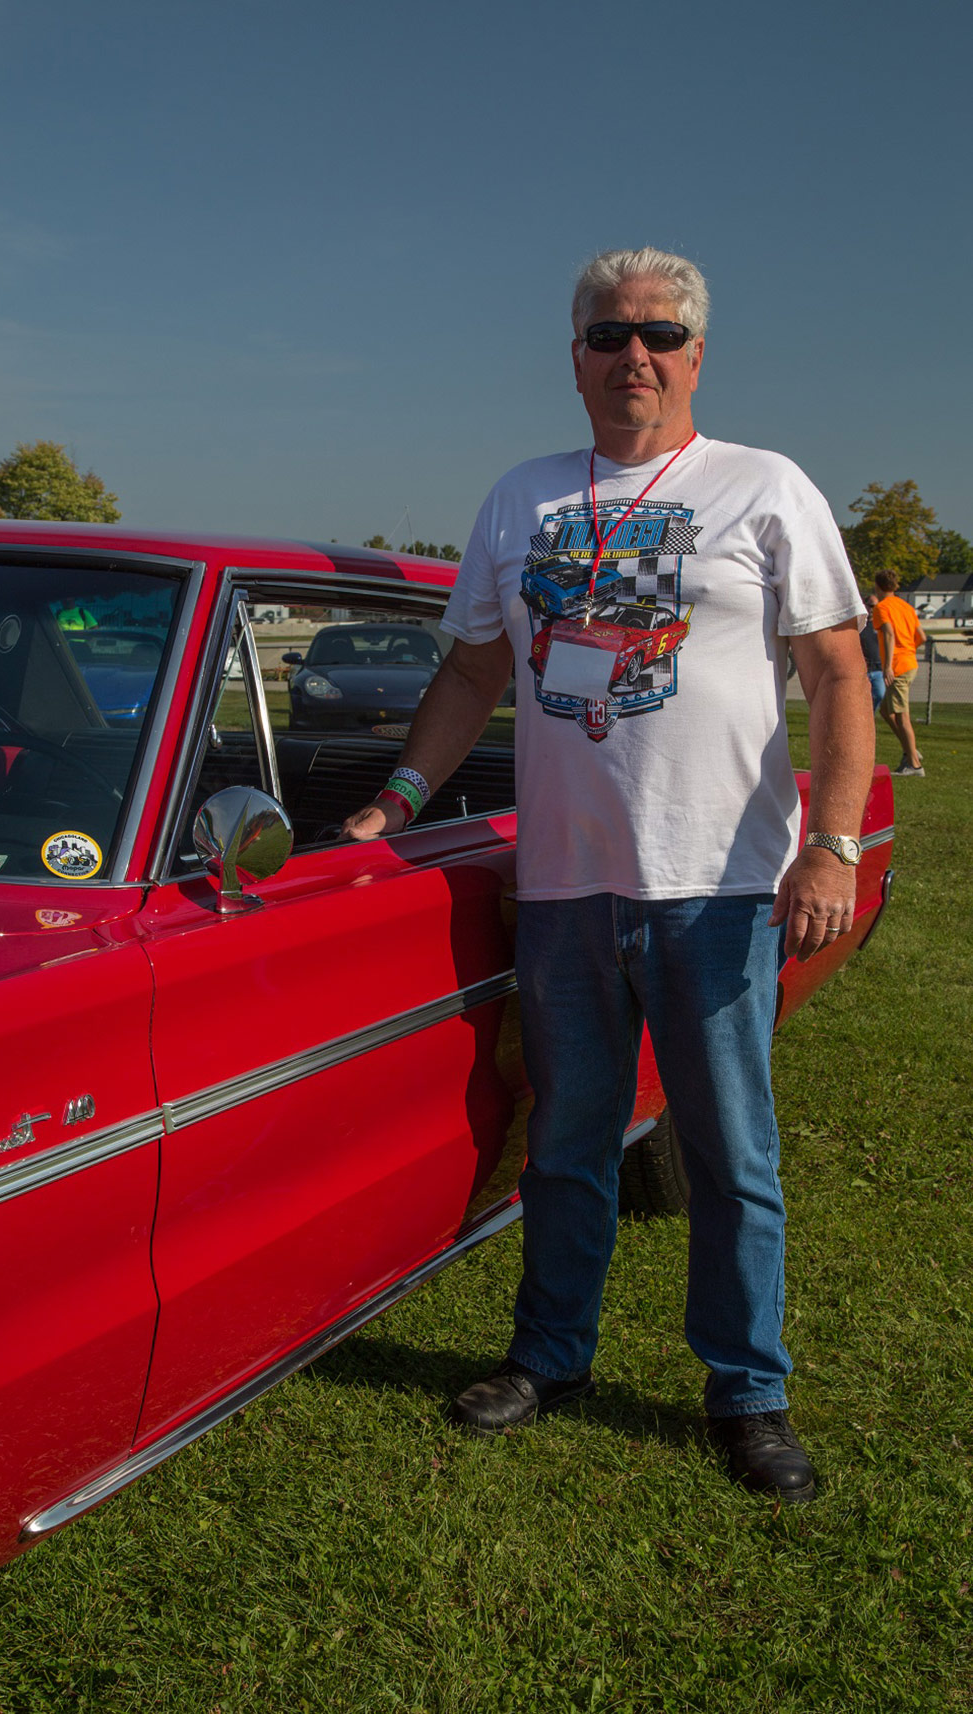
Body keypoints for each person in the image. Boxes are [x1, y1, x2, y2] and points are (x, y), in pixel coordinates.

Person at [343, 246, 873, 1503]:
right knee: (568, 1141)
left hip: (720, 888)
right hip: (569, 888)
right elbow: (473, 672)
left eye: (659, 333)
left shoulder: (765, 488)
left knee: (728, 1151)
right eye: (607, 334)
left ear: (696, 355)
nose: (633, 353)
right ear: (574, 357)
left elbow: (841, 674)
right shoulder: (521, 499)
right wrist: (395, 800)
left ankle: (749, 1390)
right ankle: (550, 1356)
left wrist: (834, 842)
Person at [870, 569, 926, 775]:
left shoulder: (882, 608)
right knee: (886, 710)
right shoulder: (907, 607)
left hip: (898, 667)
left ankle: (914, 765)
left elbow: (889, 634)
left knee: (903, 716)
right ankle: (909, 750)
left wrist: (888, 666)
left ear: (877, 586)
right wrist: (909, 650)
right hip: (909, 663)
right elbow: (921, 636)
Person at [860, 595, 886, 712]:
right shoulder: (860, 625)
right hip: (863, 670)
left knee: (879, 695)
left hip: (878, 669)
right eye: (870, 605)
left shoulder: (881, 625)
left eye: (874, 606)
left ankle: (869, 717)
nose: (872, 609)